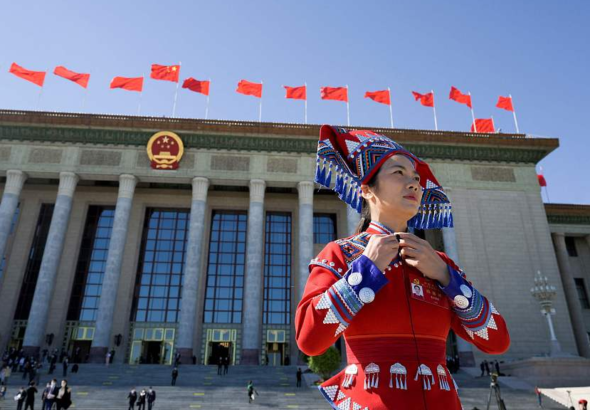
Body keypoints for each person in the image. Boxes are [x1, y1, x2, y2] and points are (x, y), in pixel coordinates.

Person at [295, 126, 511, 410]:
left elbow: (496, 342)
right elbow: (309, 340)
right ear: (366, 190)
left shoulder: (439, 263)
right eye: (399, 173)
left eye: (416, 179)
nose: (413, 184)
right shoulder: (342, 254)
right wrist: (365, 272)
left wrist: (448, 279)